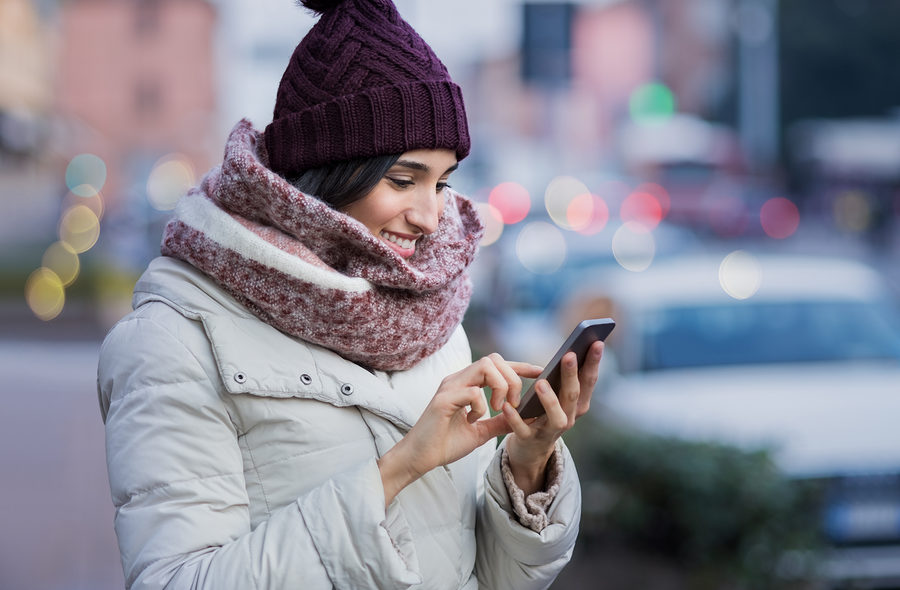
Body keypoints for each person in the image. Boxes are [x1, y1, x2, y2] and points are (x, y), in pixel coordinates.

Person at [97, 0, 604, 588]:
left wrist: (527, 463)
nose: (430, 217)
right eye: (403, 180)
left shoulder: (430, 316)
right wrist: (395, 471)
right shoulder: (174, 341)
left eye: (442, 183)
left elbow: (485, 576)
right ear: (326, 172)